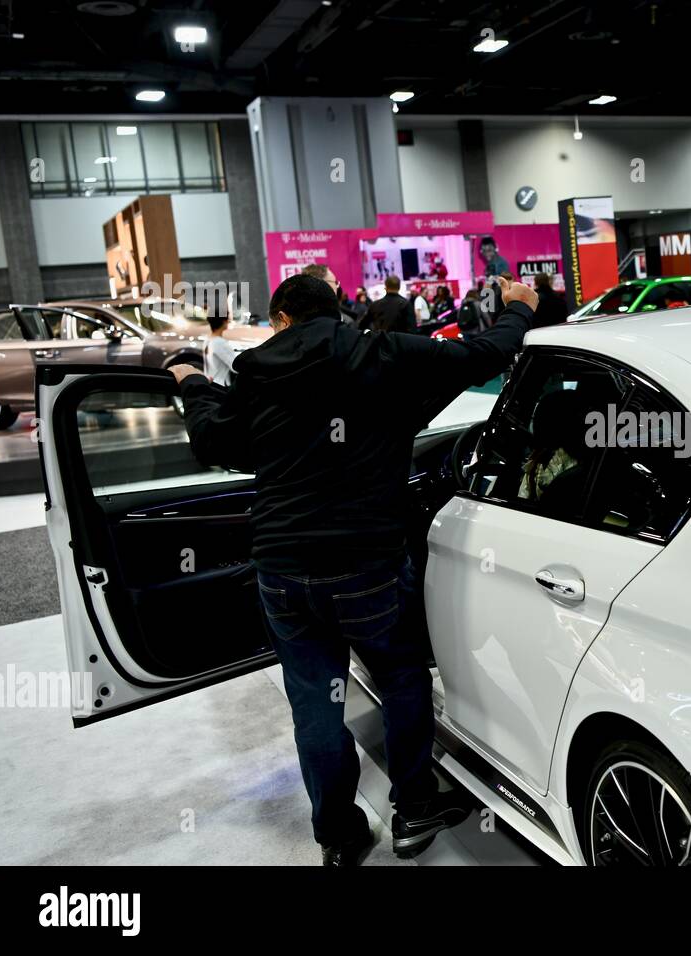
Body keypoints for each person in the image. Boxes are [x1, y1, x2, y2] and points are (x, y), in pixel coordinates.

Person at [167, 273, 536, 866]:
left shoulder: (255, 373)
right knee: (402, 678)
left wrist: (192, 385)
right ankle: (415, 810)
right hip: (368, 564)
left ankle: (339, 836)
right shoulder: (380, 352)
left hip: (283, 567)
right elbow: (484, 355)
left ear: (281, 318)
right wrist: (517, 309)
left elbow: (215, 443)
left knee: (315, 703)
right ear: (335, 310)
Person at [204, 308, 240, 387]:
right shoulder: (219, 343)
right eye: (228, 319)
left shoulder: (208, 340)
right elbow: (235, 366)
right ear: (224, 322)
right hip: (220, 386)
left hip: (211, 382)